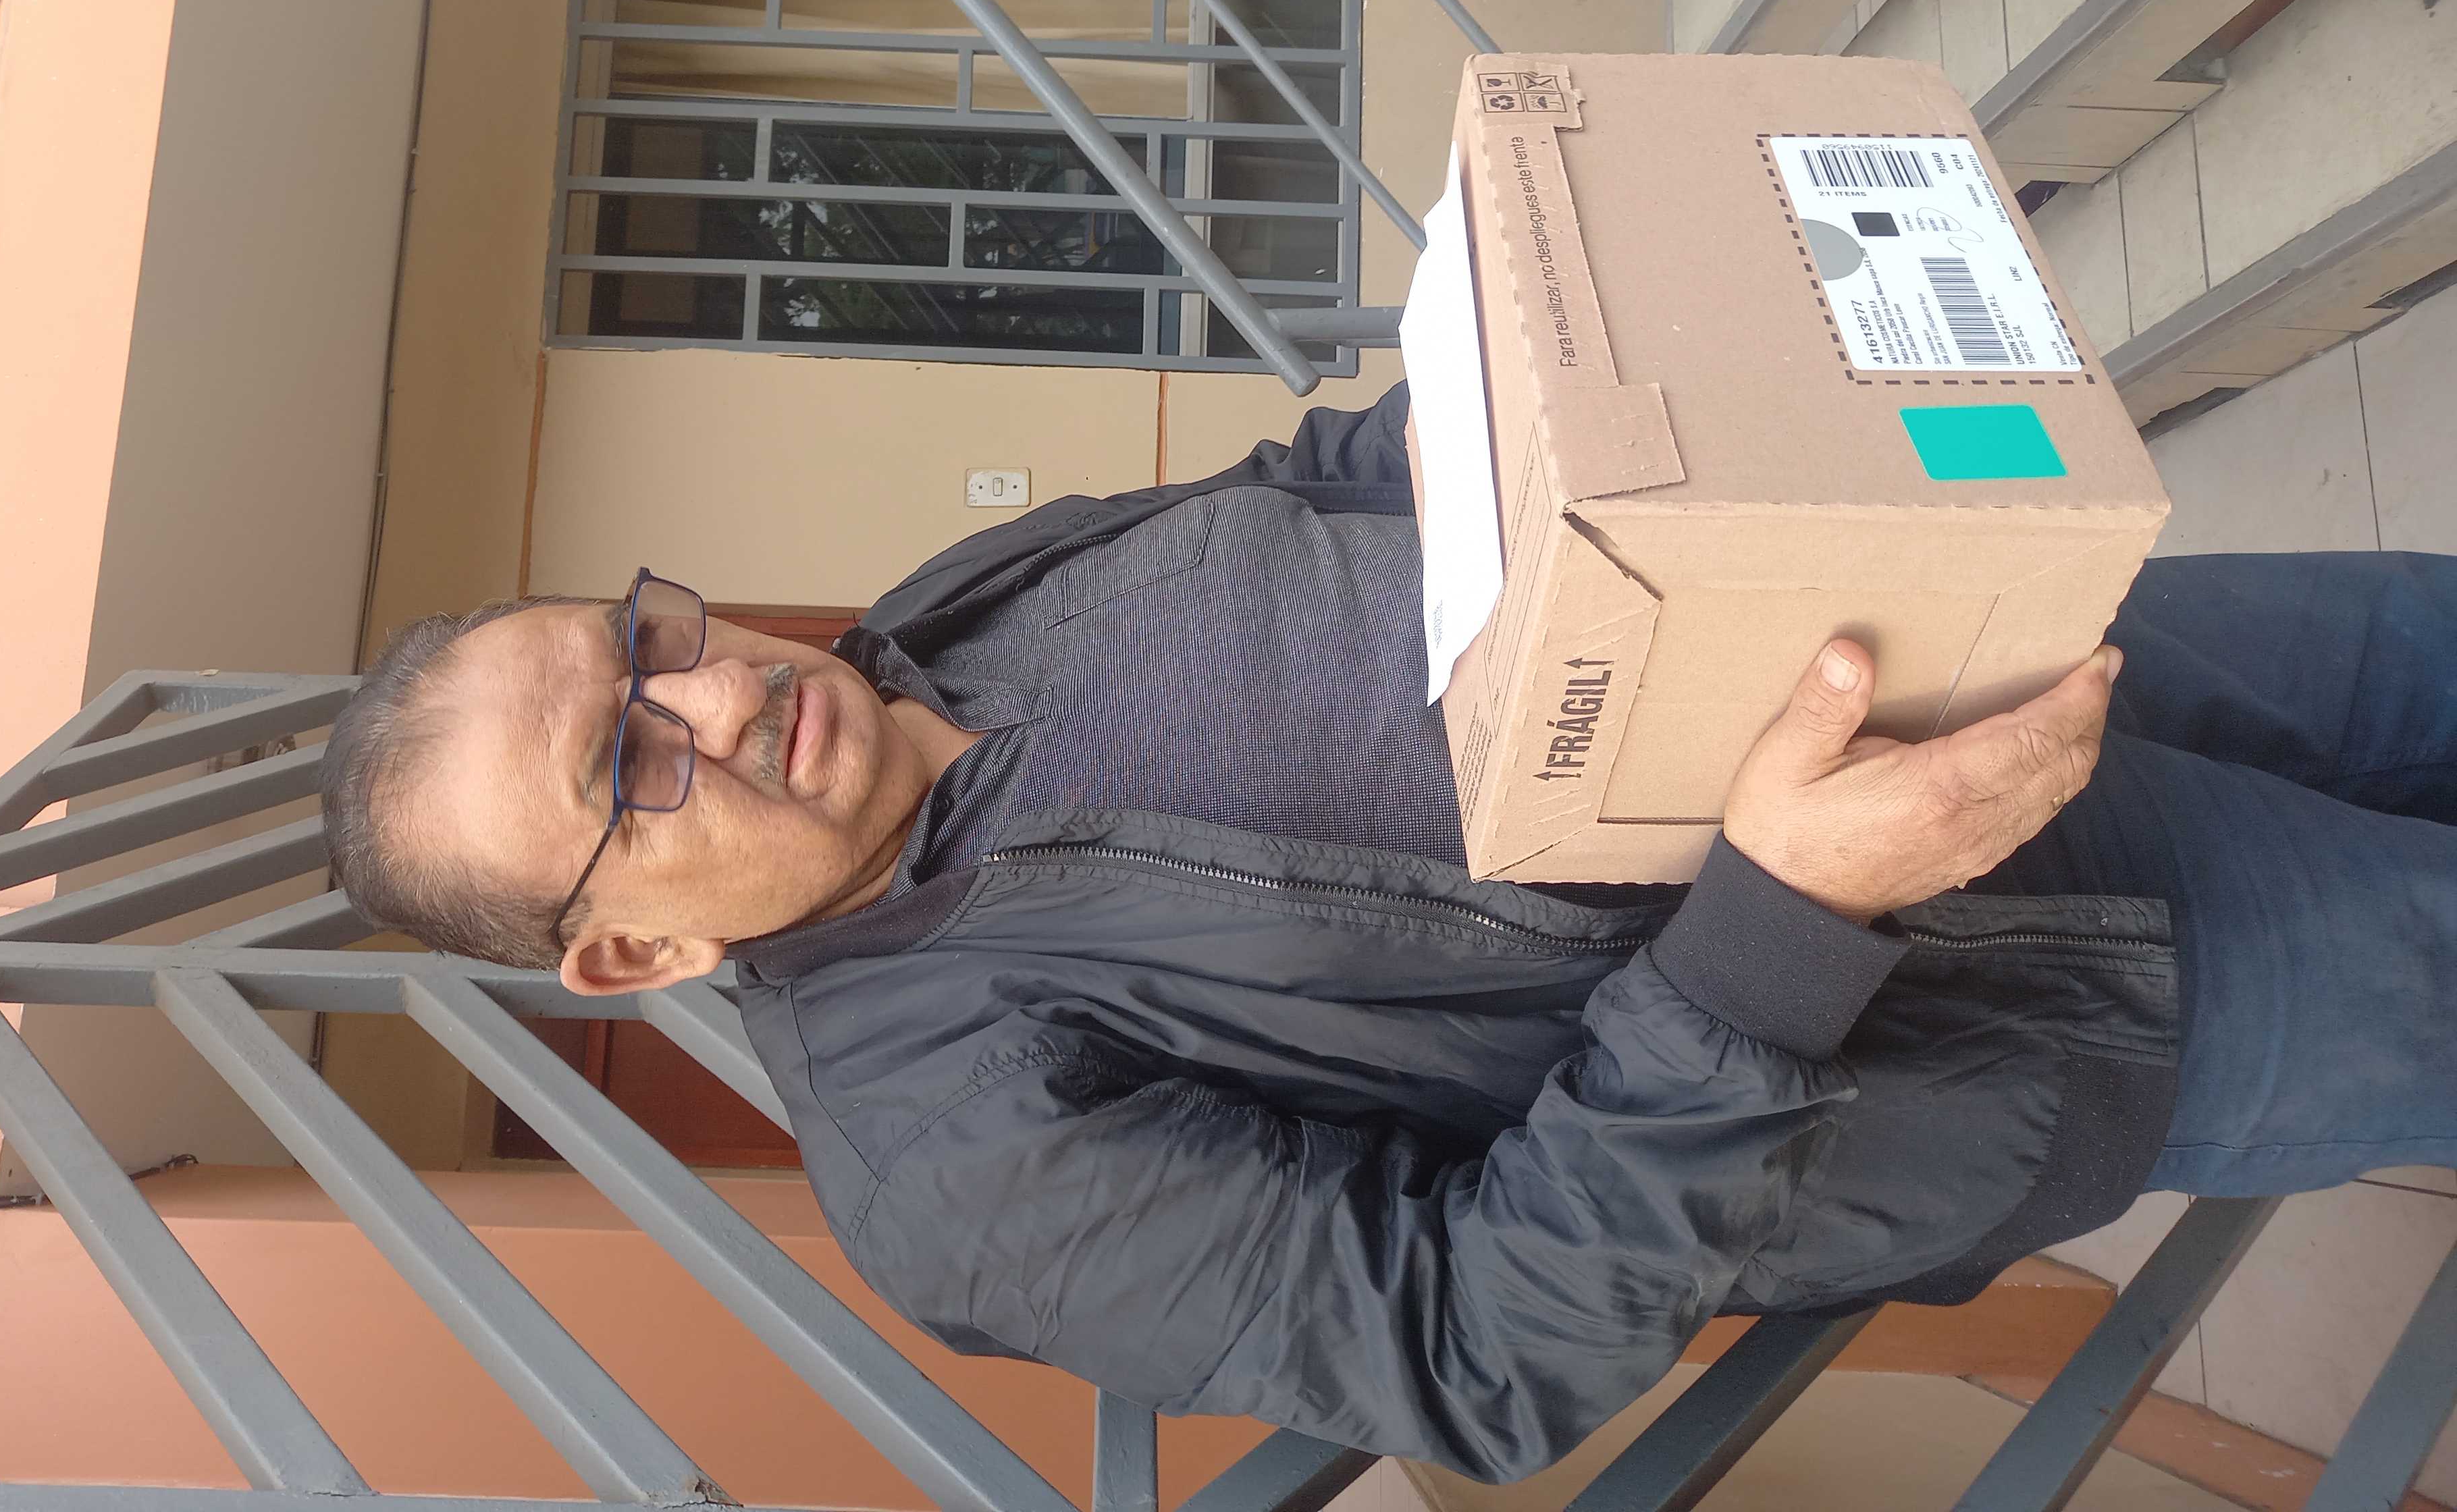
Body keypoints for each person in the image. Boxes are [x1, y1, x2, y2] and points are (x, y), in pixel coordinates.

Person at [318, 385, 2457, 1482]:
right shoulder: (955, 1168)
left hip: (1997, 639)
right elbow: (1477, 1349)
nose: (708, 696)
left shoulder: (954, 601)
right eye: (629, 764)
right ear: (627, 959)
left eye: (642, 641)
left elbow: (1314, 483)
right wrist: (1787, 917)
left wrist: (1477, 412)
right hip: (2056, 975)